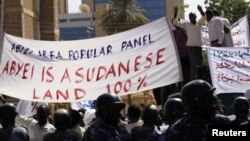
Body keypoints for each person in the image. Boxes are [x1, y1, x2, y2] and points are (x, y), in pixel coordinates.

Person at [173, 5, 205, 80]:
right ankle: (193, 82)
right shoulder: (186, 24)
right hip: (191, 48)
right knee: (193, 65)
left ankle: (200, 81)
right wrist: (176, 12)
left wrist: (201, 10)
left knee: (199, 65)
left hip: (198, 47)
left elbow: (203, 17)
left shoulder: (199, 24)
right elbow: (175, 22)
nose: (191, 17)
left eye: (192, 16)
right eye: (190, 16)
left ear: (195, 16)